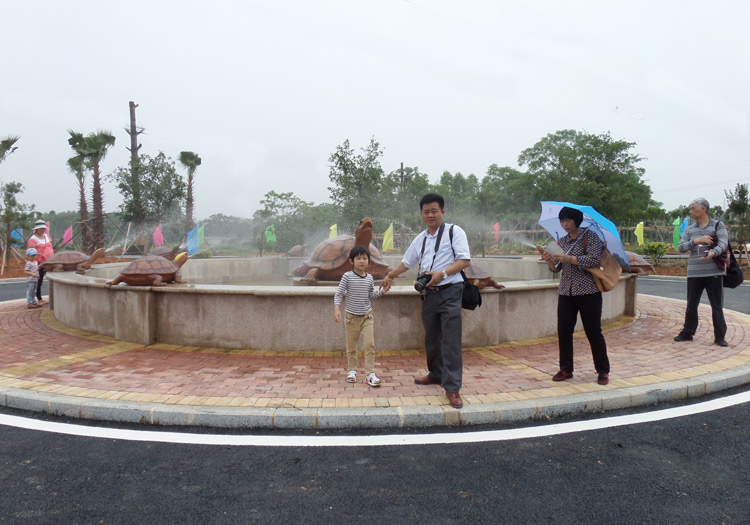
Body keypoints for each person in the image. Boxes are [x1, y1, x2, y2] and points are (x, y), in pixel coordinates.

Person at [380, 193, 470, 408]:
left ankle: (453, 388)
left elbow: (464, 260)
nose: (430, 215)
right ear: (421, 214)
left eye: (434, 211)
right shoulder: (420, 238)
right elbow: (407, 262)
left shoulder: (454, 232)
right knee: (431, 339)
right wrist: (390, 275)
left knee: (450, 341)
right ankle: (436, 373)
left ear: (443, 212)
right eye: (426, 211)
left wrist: (443, 274)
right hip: (429, 294)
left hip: (450, 291)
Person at [540, 206, 610, 385]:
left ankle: (602, 370)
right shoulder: (562, 241)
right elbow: (557, 268)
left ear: (576, 220)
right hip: (566, 292)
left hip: (588, 292)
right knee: (564, 331)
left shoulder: (590, 237)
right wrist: (550, 259)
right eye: (562, 221)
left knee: (593, 331)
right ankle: (566, 369)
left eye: (568, 220)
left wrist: (571, 259)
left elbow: (594, 259)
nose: (565, 224)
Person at [674, 198, 728, 347]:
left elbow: (723, 243)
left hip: (713, 273)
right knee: (691, 305)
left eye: (693, 209)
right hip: (694, 273)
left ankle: (720, 337)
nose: (691, 212)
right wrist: (696, 241)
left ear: (703, 209)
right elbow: (681, 247)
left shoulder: (718, 225)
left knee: (716, 305)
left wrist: (713, 253)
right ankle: (687, 333)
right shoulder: (690, 229)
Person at [334, 245, 388, 387]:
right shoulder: (347, 276)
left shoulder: (369, 278)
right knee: (351, 347)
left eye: (365, 258)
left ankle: (370, 374)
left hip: (367, 317)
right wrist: (337, 308)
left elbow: (370, 295)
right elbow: (339, 293)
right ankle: (352, 370)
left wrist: (382, 292)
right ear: (352, 261)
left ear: (368, 261)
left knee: (370, 345)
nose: (362, 261)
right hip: (351, 317)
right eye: (358, 258)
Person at [27, 219, 54, 305]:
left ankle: (53, 296)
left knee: (52, 279)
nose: (42, 230)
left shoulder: (46, 237)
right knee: (39, 280)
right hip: (39, 262)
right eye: (41, 229)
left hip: (49, 261)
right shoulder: (33, 239)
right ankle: (38, 297)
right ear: (36, 229)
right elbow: (32, 252)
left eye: (43, 229)